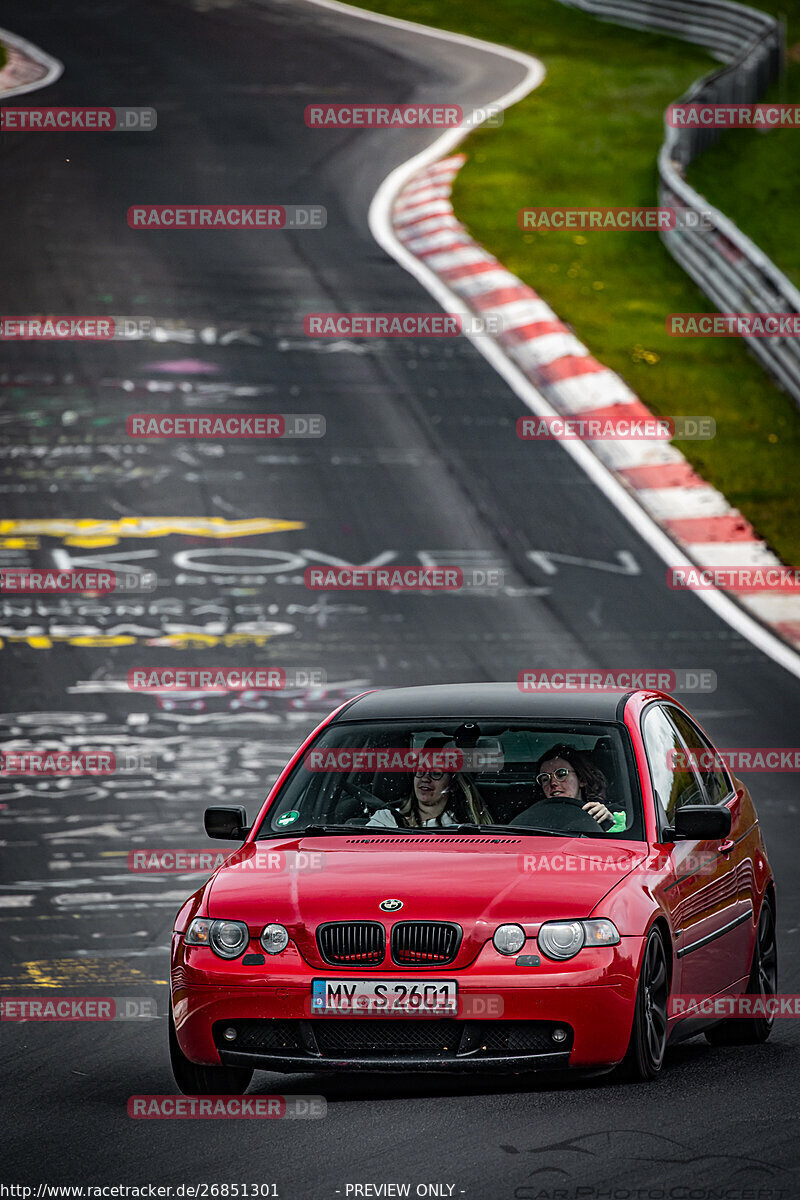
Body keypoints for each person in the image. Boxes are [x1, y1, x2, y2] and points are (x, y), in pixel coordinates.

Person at [512, 743, 627, 833]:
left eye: (561, 774)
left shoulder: (613, 813)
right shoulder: (529, 818)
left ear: (581, 779)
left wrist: (611, 822)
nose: (553, 783)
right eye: (545, 778)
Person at [367, 766, 492, 828]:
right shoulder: (385, 819)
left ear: (453, 785)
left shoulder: (465, 827)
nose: (425, 779)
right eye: (420, 772)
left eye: (436, 773)